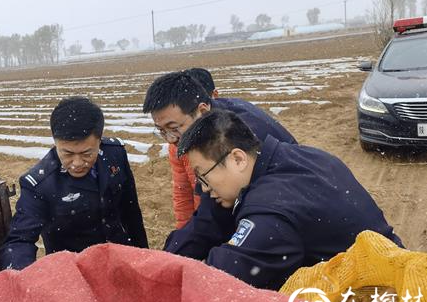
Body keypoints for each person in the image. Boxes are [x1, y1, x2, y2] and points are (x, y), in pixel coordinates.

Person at [164, 110, 403, 290]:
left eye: (203, 176)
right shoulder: (303, 156)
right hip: (391, 262)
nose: (204, 189)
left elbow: (223, 274)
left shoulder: (268, 209)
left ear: (238, 159)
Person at [0, 97, 148, 270]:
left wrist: (143, 259)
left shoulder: (115, 155)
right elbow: (20, 239)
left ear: (99, 141)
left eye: (86, 153)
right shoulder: (40, 184)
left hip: (120, 257)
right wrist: (18, 278)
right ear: (55, 143)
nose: (77, 163)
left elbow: (131, 212)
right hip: (76, 271)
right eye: (67, 153)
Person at [142, 70, 297, 228]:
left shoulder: (236, 134)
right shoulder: (197, 132)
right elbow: (193, 199)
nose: (171, 140)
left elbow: (259, 212)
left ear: (202, 111)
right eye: (162, 131)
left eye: (174, 128)